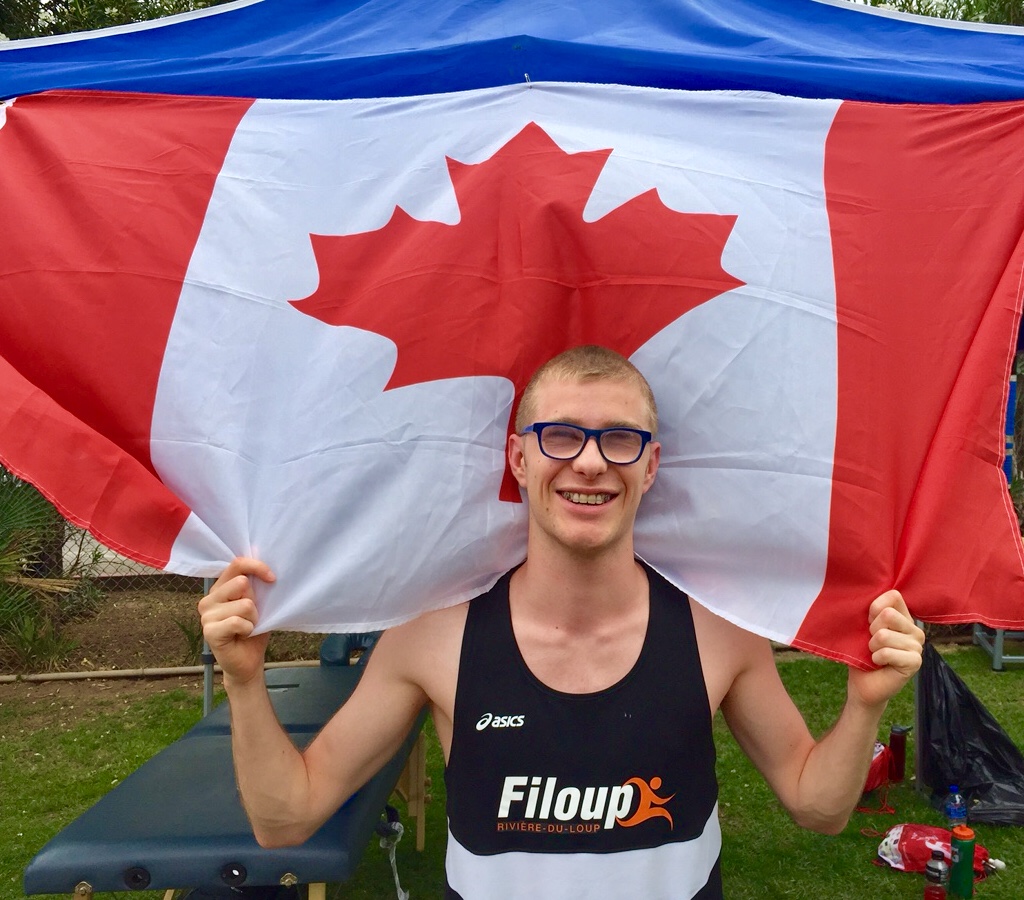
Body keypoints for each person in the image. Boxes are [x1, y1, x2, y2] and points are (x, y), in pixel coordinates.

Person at [199, 345, 925, 899]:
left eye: (619, 440)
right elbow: (286, 819)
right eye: (561, 436)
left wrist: (865, 704)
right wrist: (245, 682)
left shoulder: (716, 632)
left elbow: (817, 807)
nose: (590, 463)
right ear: (518, 458)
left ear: (650, 466)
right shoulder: (434, 637)